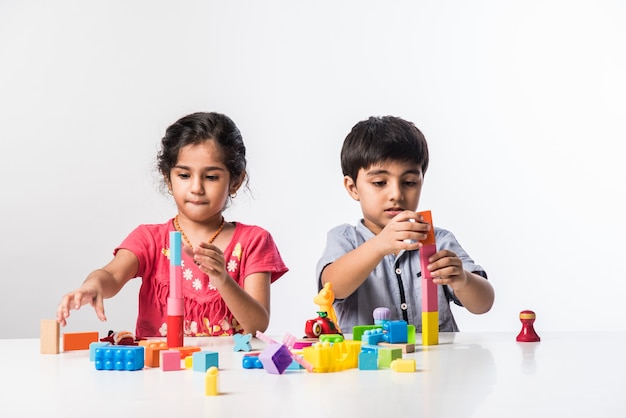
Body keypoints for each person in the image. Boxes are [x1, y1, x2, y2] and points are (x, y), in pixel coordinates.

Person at [57, 112, 288, 338]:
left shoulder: (253, 241)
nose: (196, 188)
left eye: (211, 177)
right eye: (184, 175)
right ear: (168, 178)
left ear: (235, 181)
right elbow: (111, 275)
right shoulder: (150, 239)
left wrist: (223, 279)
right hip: (163, 374)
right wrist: (92, 286)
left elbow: (257, 324)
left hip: (227, 373)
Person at [316, 115, 494, 334]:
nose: (396, 194)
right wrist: (380, 245)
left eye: (409, 182)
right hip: (369, 363)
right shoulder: (344, 238)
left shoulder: (438, 239)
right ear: (353, 188)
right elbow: (332, 288)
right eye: (380, 183)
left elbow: (483, 304)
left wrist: (463, 280)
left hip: (436, 362)